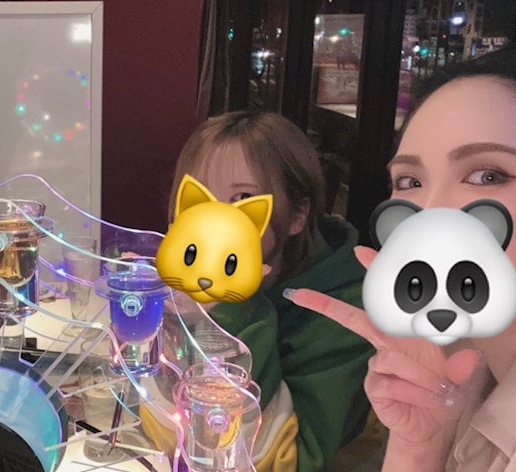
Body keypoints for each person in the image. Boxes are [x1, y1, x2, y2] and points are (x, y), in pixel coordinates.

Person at [286, 44, 516, 471]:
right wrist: (419, 443)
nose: (429, 217)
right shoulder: (461, 368)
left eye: (489, 175)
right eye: (409, 181)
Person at [139, 111, 381, 471]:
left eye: (242, 197)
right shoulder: (188, 285)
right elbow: (163, 427)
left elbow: (286, 462)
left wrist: (230, 313)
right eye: (201, 199)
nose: (215, 220)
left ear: (297, 215)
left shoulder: (348, 310)